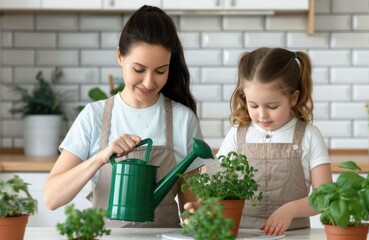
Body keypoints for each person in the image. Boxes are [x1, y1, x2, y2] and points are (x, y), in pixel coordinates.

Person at [44, 5, 203, 228]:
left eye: (160, 71)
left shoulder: (183, 120)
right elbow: (52, 198)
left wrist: (199, 213)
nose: (149, 82)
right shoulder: (94, 116)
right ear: (120, 56)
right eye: (139, 69)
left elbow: (193, 211)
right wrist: (101, 157)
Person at [185, 47, 332, 236]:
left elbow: (325, 196)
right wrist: (203, 205)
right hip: (240, 234)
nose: (262, 115)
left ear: (293, 98)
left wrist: (291, 210)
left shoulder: (309, 136)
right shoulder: (237, 135)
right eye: (253, 105)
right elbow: (217, 183)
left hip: (294, 236)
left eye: (272, 106)